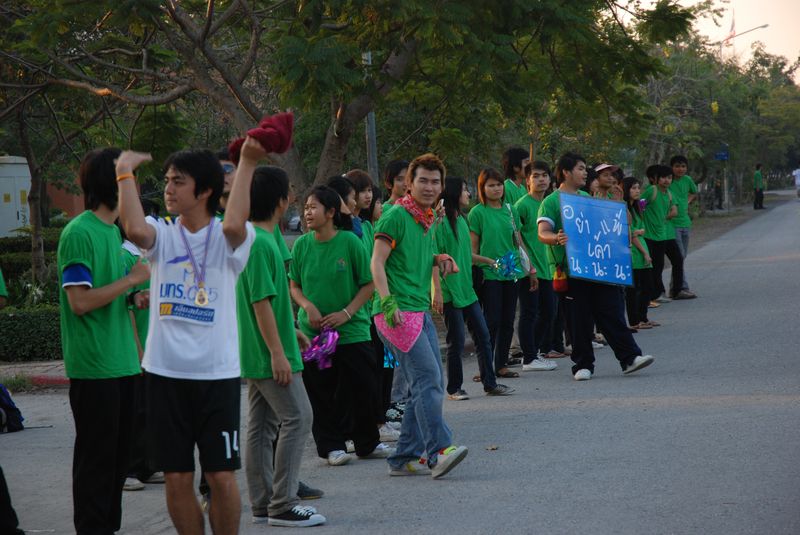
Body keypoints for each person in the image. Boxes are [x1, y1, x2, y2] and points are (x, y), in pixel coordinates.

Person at [117, 139, 264, 534]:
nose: (168, 189)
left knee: (220, 475)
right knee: (177, 476)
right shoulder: (161, 232)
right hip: (165, 374)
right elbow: (134, 229)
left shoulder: (232, 237)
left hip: (216, 375)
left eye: (178, 182)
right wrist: (124, 172)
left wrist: (247, 162)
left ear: (205, 191)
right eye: (167, 180)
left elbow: (233, 224)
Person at [58, 148, 149, 534]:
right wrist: (131, 281)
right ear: (111, 184)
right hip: (95, 367)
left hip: (123, 363)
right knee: (97, 463)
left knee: (117, 462)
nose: (135, 189)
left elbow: (112, 293)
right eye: (127, 179)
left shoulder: (113, 232)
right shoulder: (79, 232)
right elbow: (79, 302)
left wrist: (134, 295)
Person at [236, 166, 326, 527]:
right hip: (268, 353)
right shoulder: (260, 244)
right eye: (288, 192)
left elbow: (268, 302)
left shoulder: (256, 240)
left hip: (261, 349)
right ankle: (283, 503)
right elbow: (260, 303)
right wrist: (277, 352)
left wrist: (292, 329)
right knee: (299, 417)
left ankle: (263, 503)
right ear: (279, 201)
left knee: (261, 427)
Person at [372, 153, 468, 478]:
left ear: (442, 187)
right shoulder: (395, 217)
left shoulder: (426, 218)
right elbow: (377, 262)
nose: (429, 187)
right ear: (409, 184)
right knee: (428, 380)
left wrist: (439, 258)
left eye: (435, 182)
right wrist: (388, 302)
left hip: (418, 310)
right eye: (422, 181)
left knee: (427, 382)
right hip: (396, 313)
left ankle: (403, 457)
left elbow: (414, 256)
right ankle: (439, 450)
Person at [291, 185, 393, 467]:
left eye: (313, 207)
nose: (308, 212)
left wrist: (346, 313)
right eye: (306, 207)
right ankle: (332, 446)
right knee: (321, 392)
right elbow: (294, 285)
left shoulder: (349, 242)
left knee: (364, 387)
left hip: (351, 330)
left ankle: (367, 443)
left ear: (331, 212)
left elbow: (368, 283)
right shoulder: (301, 245)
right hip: (314, 334)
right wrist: (307, 307)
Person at [537, 152, 654, 381]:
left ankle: (630, 358)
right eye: (580, 168)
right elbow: (542, 232)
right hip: (571, 271)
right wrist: (556, 238)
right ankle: (583, 365)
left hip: (599, 267)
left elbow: (614, 226)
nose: (585, 173)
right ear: (566, 172)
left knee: (611, 312)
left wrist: (618, 205)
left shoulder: (586, 197)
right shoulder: (550, 202)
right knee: (578, 319)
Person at [435, 176, 514, 398]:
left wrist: (488, 261)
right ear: (453, 192)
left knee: (483, 336)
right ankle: (454, 388)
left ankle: (490, 383)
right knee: (456, 342)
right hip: (450, 291)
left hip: (467, 290)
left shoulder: (462, 220)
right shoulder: (440, 223)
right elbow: (434, 258)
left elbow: (464, 255)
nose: (468, 194)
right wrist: (437, 291)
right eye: (464, 190)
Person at [468, 168, 529, 379]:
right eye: (491, 185)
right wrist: (483, 265)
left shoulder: (510, 210)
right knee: (491, 321)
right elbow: (472, 250)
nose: (496, 189)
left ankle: (501, 364)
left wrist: (530, 269)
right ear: (482, 188)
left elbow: (518, 241)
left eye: (499, 184)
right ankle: (485, 367)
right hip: (489, 273)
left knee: (507, 320)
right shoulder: (477, 213)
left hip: (511, 270)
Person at [515, 161, 561, 369]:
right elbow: (516, 239)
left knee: (549, 312)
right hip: (529, 270)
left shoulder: (549, 204)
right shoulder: (522, 205)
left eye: (544, 175)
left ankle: (534, 352)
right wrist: (529, 266)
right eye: (536, 176)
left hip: (548, 267)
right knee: (529, 313)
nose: (541, 179)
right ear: (527, 180)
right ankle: (529, 357)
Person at [643, 165, 689, 302]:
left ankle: (676, 290)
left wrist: (663, 218)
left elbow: (674, 211)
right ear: (656, 179)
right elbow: (639, 204)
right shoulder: (652, 190)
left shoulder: (669, 193)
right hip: (649, 234)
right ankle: (656, 293)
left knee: (672, 261)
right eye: (663, 177)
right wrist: (645, 218)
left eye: (669, 178)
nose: (666, 180)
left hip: (664, 234)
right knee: (655, 265)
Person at [622, 177, 657, 330]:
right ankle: (634, 320)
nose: (637, 191)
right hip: (635, 252)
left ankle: (643, 317)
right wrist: (644, 252)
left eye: (638, 188)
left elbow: (639, 230)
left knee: (647, 287)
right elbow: (631, 234)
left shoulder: (637, 207)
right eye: (633, 188)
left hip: (643, 249)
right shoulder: (624, 208)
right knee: (633, 290)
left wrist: (638, 232)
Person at [669, 155, 698, 298]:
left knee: (682, 257)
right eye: (677, 166)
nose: (680, 169)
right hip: (672, 224)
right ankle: (681, 287)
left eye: (683, 166)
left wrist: (687, 201)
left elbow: (694, 192)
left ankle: (674, 286)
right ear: (672, 167)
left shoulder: (688, 180)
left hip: (685, 222)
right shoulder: (668, 181)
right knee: (679, 257)